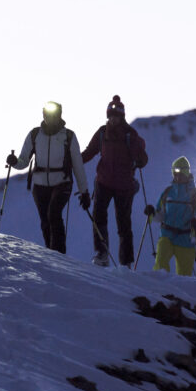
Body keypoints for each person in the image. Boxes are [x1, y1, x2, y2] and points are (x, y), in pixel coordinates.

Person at [7, 101, 90, 255]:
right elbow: (23, 161)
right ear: (43, 115)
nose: (51, 118)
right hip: (39, 185)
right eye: (48, 114)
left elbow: (78, 165)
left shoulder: (69, 136)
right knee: (46, 221)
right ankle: (51, 255)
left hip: (62, 182)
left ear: (60, 116)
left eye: (54, 115)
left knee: (53, 215)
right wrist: (14, 162)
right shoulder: (34, 135)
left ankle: (58, 255)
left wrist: (84, 192)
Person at [80, 95, 148, 267]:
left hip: (123, 185)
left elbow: (143, 158)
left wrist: (140, 160)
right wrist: (74, 160)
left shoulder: (130, 135)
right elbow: (89, 152)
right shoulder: (103, 132)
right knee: (99, 217)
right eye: (111, 115)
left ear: (122, 116)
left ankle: (125, 262)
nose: (113, 119)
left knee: (123, 223)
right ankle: (102, 254)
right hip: (104, 182)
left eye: (116, 116)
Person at [144, 156, 196, 276]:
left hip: (186, 239)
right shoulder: (168, 192)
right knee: (160, 266)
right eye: (175, 173)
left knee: (184, 275)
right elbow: (160, 215)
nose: (178, 177)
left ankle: (179, 295)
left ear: (187, 173)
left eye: (181, 174)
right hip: (166, 235)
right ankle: (160, 292)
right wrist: (152, 212)